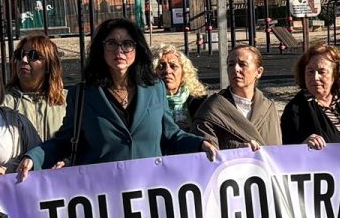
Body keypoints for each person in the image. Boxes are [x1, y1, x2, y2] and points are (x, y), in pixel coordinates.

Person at [19, 18, 215, 175]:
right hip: (102, 194)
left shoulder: (155, 89)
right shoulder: (82, 95)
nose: (119, 51)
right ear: (101, 49)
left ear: (137, 49)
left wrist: (200, 144)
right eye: (112, 43)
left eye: (127, 44)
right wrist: (33, 158)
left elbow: (171, 134)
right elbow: (64, 141)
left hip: (149, 190)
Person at [281, 42, 340, 147]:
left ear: (335, 74)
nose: (315, 77)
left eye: (321, 72)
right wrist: (303, 145)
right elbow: (287, 149)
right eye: (310, 72)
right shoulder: (295, 109)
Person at [192, 45, 282, 149]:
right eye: (231, 64)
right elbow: (205, 152)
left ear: (258, 72)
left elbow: (278, 149)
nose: (236, 69)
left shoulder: (269, 108)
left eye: (243, 64)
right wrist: (236, 152)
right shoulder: (212, 109)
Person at [1, 36, 67, 141]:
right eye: (20, 54)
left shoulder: (69, 101)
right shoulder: (1, 103)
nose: (24, 60)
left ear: (49, 65)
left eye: (33, 55)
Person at [156, 44, 209, 129]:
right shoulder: (146, 102)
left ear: (183, 73)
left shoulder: (199, 101)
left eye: (173, 66)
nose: (167, 71)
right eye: (161, 66)